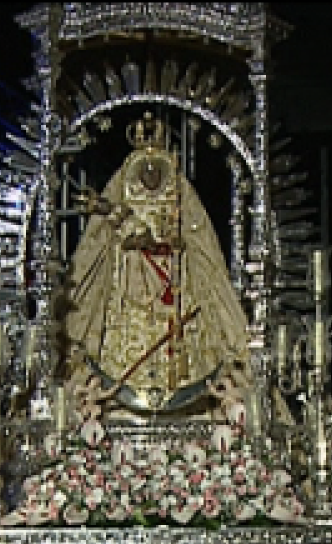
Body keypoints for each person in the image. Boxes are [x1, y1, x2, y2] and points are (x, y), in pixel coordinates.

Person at [62, 111, 251, 420]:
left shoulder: (180, 195)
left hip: (173, 292)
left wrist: (168, 244)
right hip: (127, 293)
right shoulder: (120, 190)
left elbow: (196, 239)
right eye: (145, 171)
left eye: (155, 171)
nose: (150, 176)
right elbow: (102, 239)